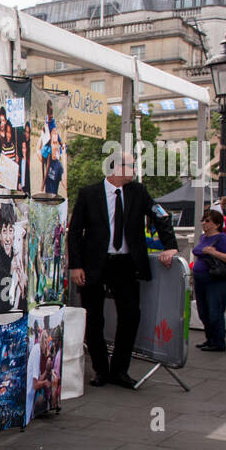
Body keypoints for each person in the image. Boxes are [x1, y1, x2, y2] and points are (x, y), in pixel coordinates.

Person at [68, 153, 178, 389]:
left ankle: (120, 370)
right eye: (131, 166)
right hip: (94, 264)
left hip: (125, 263)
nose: (135, 170)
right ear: (115, 168)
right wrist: (75, 265)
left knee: (130, 315)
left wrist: (170, 246)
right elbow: (75, 231)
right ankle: (100, 369)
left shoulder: (138, 192)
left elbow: (161, 215)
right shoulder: (89, 194)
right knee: (94, 316)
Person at [192, 209, 226, 353]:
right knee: (203, 311)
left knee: (215, 311)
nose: (204, 223)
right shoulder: (202, 237)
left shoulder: (222, 239)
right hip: (200, 279)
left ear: (217, 224)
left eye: (207, 221)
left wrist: (214, 252)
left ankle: (218, 342)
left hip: (215, 280)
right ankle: (209, 339)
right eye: (203, 220)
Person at [0, 202, 26, 314]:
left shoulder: (18, 258)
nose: (8, 238)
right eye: (4, 231)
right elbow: (1, 302)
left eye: (10, 231)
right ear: (0, 234)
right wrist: (10, 272)